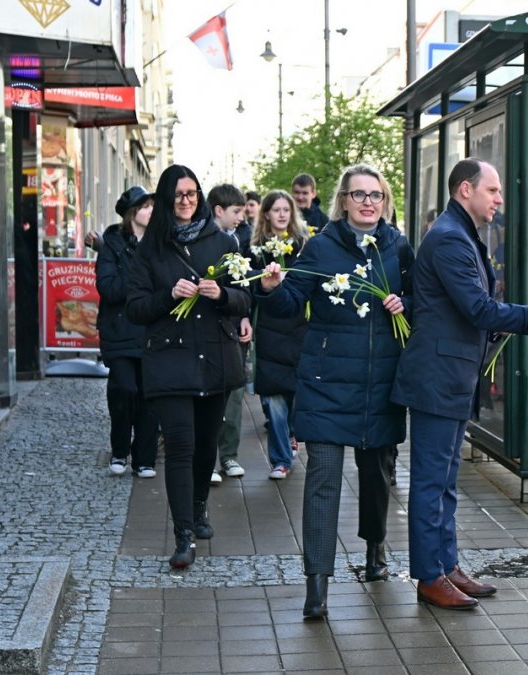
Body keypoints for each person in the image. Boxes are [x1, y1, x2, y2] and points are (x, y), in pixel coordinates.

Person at [391, 157, 528, 610]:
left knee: (446, 481)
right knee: (432, 482)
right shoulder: (451, 238)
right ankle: (429, 575)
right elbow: (479, 309)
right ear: (464, 190)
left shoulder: (463, 232)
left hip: (453, 376)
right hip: (438, 379)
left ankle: (446, 565)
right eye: (492, 190)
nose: (499, 199)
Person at [258, 164, 413, 619]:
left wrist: (408, 304)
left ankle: (375, 550)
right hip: (326, 383)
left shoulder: (398, 247)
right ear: (343, 200)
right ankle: (317, 584)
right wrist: (272, 288)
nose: (368, 202)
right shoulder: (321, 246)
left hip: (381, 382)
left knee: (377, 476)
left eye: (376, 195)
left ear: (384, 201)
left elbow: (424, 297)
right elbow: (289, 304)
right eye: (359, 194)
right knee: (323, 481)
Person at [126, 165, 251, 568]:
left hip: (214, 358)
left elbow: (245, 298)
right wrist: (167, 295)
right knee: (179, 446)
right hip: (170, 361)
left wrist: (222, 295)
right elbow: (135, 309)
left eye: (192, 193)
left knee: (204, 447)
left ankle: (199, 506)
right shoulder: (150, 248)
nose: (186, 200)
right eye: (178, 194)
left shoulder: (222, 242)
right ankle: (183, 534)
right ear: (165, 199)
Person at [95, 186, 159, 479]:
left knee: (149, 395)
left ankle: (145, 458)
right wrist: (138, 279)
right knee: (125, 389)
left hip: (151, 329)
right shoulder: (112, 243)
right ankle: (120, 450)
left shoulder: (161, 244)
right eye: (146, 206)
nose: (152, 211)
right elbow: (107, 288)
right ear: (133, 213)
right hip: (119, 329)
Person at [249, 190, 310, 480]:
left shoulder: (305, 246)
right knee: (273, 396)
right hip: (270, 326)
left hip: (299, 325)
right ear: (267, 214)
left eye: (287, 209)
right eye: (276, 210)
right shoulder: (255, 248)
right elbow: (247, 287)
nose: (282, 214)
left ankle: (293, 435)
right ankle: (280, 459)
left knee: (297, 393)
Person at [207, 184, 254, 485]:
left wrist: (245, 315)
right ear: (218, 210)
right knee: (209, 394)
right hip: (206, 328)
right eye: (236, 211)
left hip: (231, 325)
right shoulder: (200, 241)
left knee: (234, 392)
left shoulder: (237, 241)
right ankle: (208, 458)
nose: (242, 216)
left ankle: (229, 454)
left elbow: (242, 286)